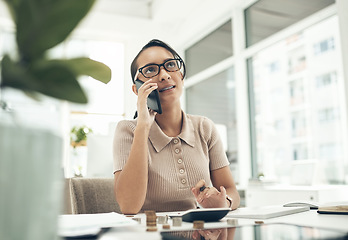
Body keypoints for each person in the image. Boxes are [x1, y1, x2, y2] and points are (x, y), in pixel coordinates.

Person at [113, 39, 240, 214]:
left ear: (180, 75)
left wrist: (223, 202)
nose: (164, 75)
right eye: (150, 70)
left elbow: (231, 191)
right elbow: (129, 206)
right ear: (137, 89)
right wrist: (142, 127)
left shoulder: (204, 127)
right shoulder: (127, 130)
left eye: (171, 65)